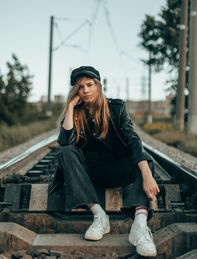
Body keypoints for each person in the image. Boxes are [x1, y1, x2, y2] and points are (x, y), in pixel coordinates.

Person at [49, 66, 160, 257]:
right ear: (76, 91)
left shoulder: (116, 108)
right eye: (80, 86)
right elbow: (65, 142)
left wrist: (147, 174)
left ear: (98, 86)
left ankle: (139, 227)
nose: (85, 90)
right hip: (88, 174)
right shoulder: (77, 112)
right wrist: (69, 108)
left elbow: (133, 140)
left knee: (144, 158)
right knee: (66, 153)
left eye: (89, 85)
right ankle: (100, 217)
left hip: (115, 170)